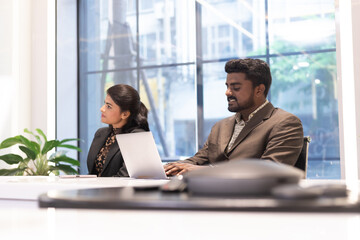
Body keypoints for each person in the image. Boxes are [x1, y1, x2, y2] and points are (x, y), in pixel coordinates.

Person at [165, 58, 304, 176]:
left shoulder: (285, 123)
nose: (227, 92)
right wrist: (168, 168)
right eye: (227, 86)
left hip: (255, 203)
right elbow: (198, 160)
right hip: (213, 197)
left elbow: (269, 171)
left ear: (259, 90)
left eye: (235, 87)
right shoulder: (220, 126)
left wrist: (204, 171)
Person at [87, 84, 149, 177]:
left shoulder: (137, 137)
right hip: (96, 190)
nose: (102, 109)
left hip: (119, 191)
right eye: (105, 103)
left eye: (109, 106)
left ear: (125, 114)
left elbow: (124, 178)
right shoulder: (101, 133)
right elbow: (93, 174)